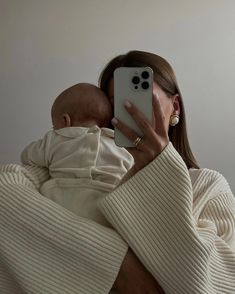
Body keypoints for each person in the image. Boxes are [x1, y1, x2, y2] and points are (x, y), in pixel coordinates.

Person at [0, 50, 234, 294]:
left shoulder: (207, 186)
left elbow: (219, 283)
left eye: (143, 99)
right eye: (116, 104)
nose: (130, 111)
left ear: (174, 107)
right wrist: (120, 268)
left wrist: (163, 168)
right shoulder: (64, 168)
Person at [21, 83, 133, 226]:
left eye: (54, 126)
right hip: (107, 207)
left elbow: (27, 155)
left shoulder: (56, 138)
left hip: (64, 198)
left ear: (65, 120)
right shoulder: (121, 147)